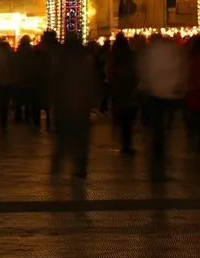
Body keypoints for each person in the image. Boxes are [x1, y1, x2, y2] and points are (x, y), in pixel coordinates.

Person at [138, 32, 187, 181]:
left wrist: (145, 85)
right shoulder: (174, 50)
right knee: (165, 126)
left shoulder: (149, 52)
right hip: (170, 94)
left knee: (157, 127)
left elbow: (143, 70)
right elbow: (183, 69)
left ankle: (157, 154)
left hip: (154, 93)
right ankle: (162, 153)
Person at [50, 35, 96, 179]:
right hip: (82, 107)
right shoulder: (85, 62)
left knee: (62, 137)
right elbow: (92, 83)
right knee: (81, 139)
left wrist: (50, 100)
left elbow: (53, 83)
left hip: (63, 106)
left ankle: (57, 165)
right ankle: (80, 167)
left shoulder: (60, 62)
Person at [106, 33, 139, 155]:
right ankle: (127, 142)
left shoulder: (113, 57)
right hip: (129, 89)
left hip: (118, 89)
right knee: (128, 118)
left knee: (121, 114)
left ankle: (124, 141)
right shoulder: (131, 56)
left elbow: (109, 71)